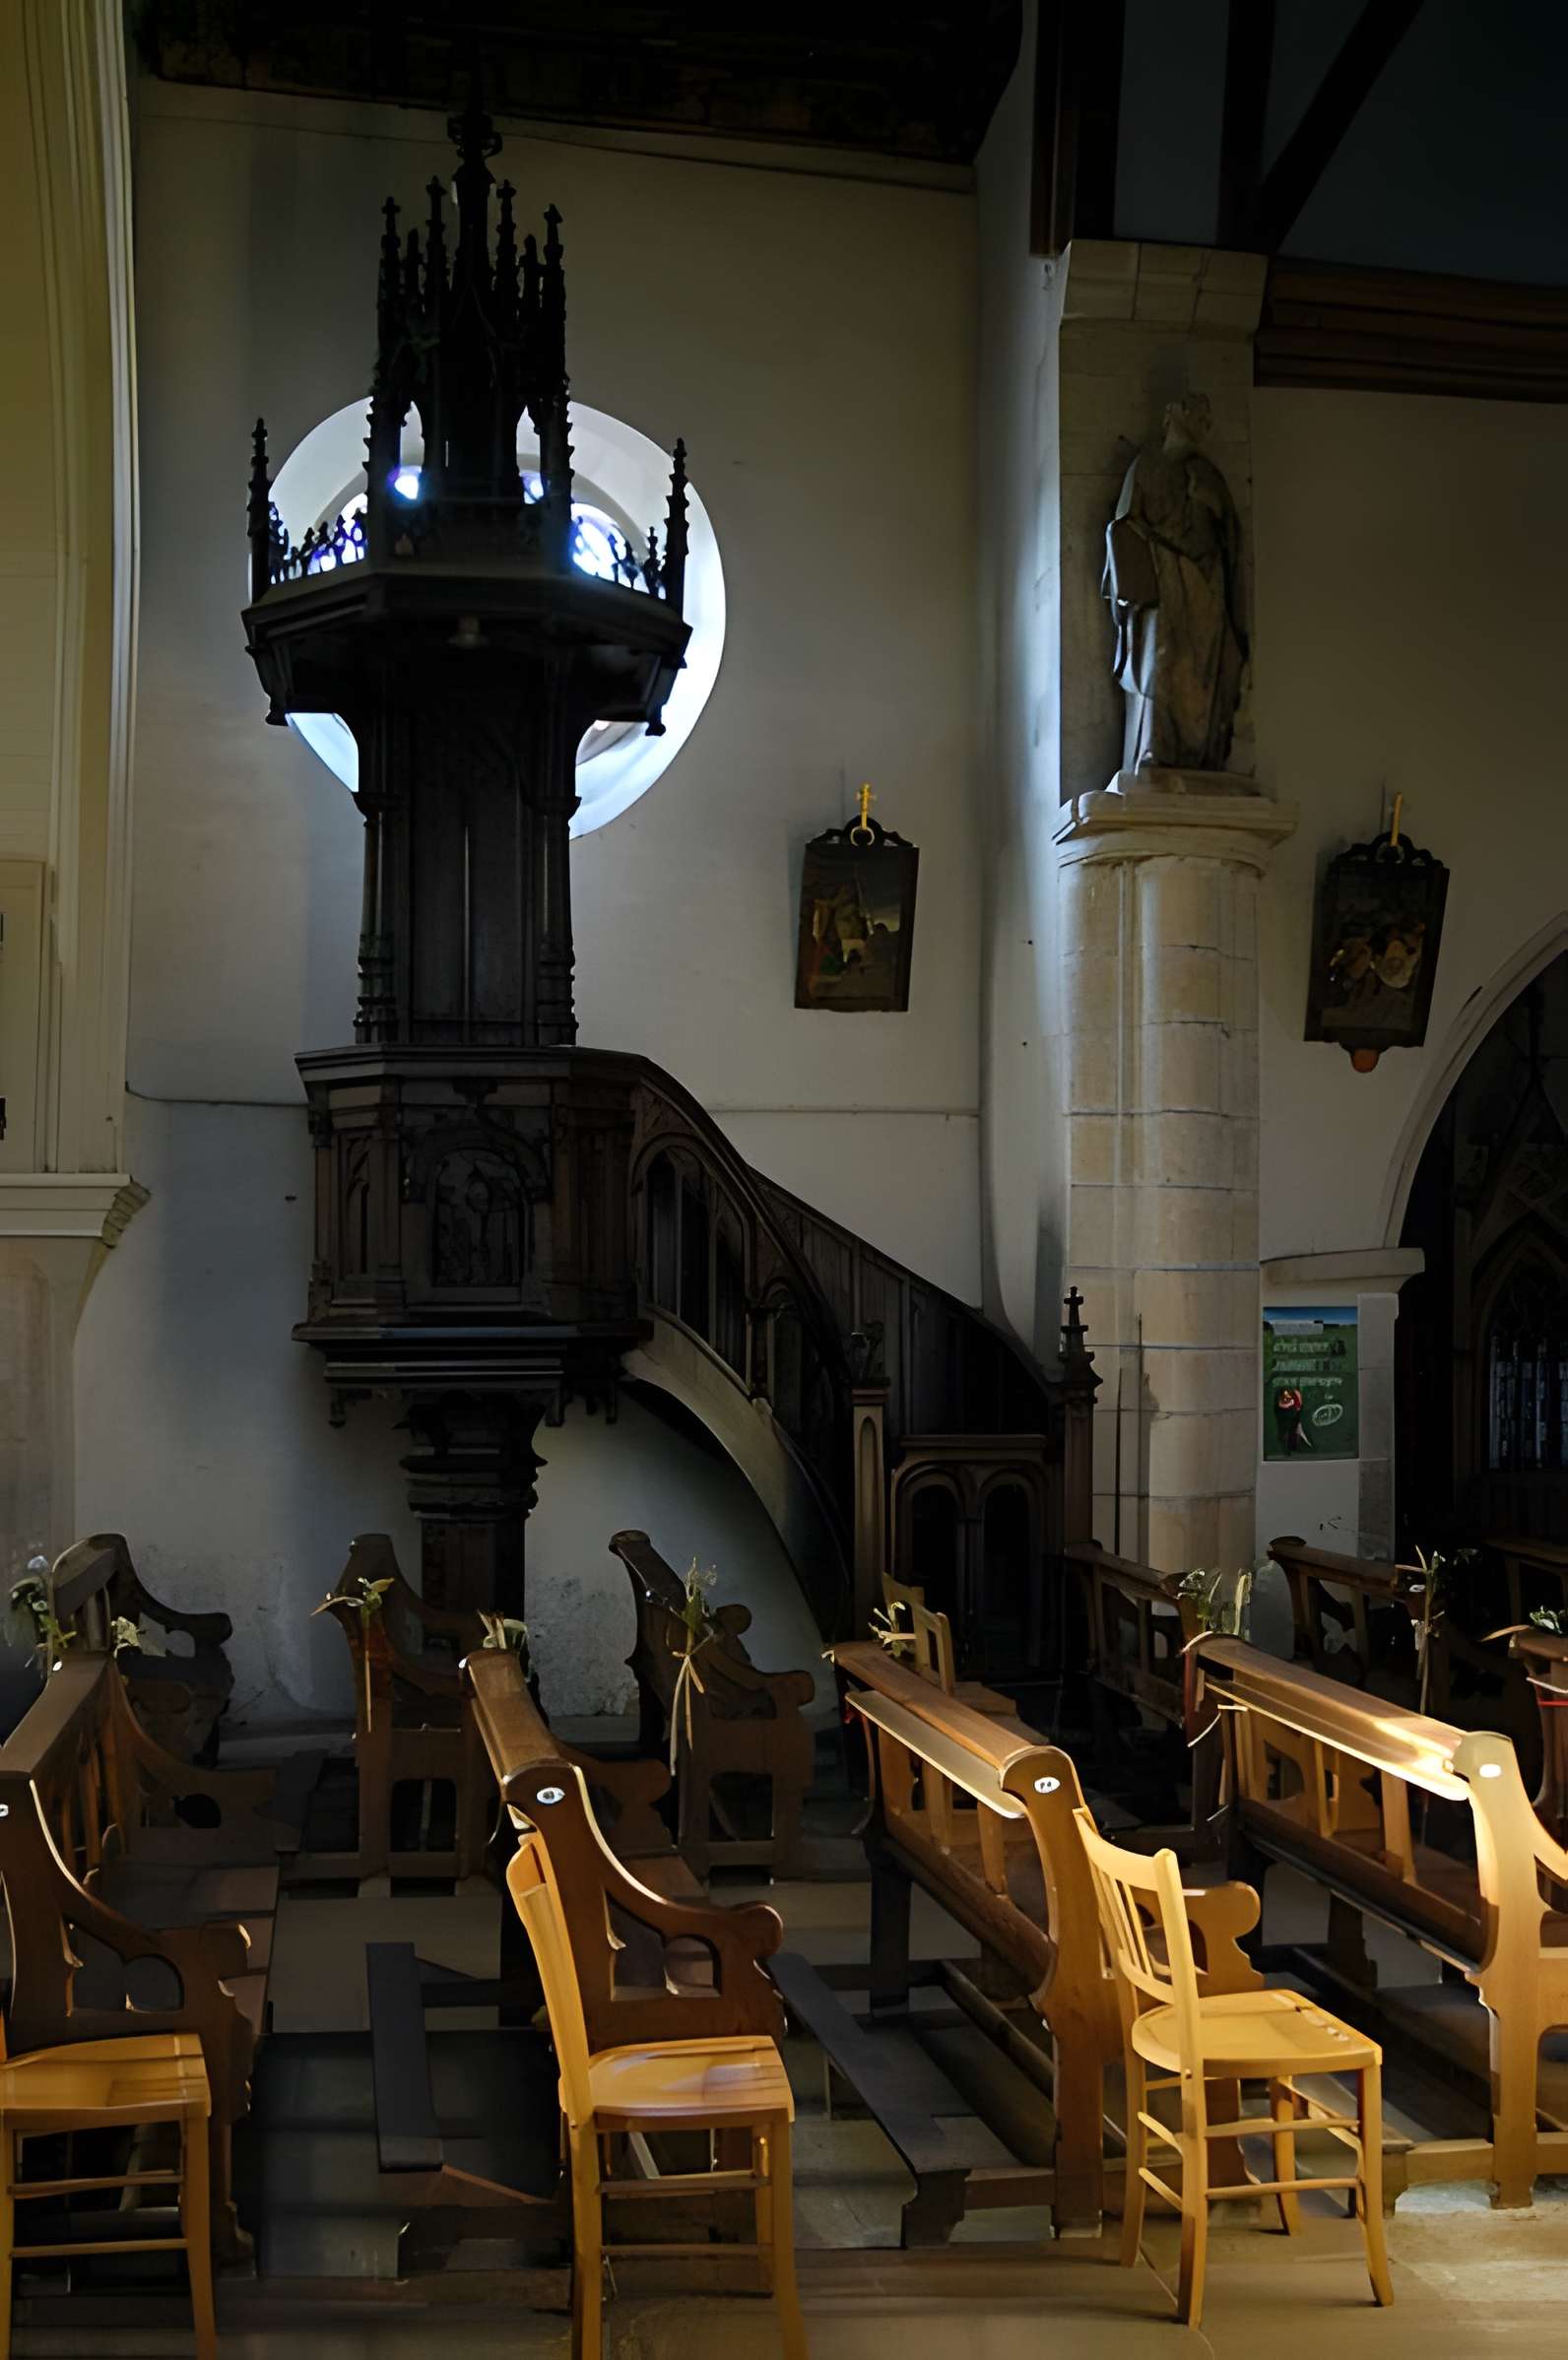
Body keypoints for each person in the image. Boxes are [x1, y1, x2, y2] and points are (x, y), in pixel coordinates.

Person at [1101, 392, 1248, 774]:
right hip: (1163, 584)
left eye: (1207, 414)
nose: (1204, 420)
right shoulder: (1146, 465)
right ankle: (1158, 748)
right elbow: (1123, 529)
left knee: (1203, 673)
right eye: (1195, 410)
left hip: (1207, 585)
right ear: (1172, 413)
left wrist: (1212, 508)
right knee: (1162, 661)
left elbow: (1232, 536)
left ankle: (1200, 753)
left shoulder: (1209, 474)